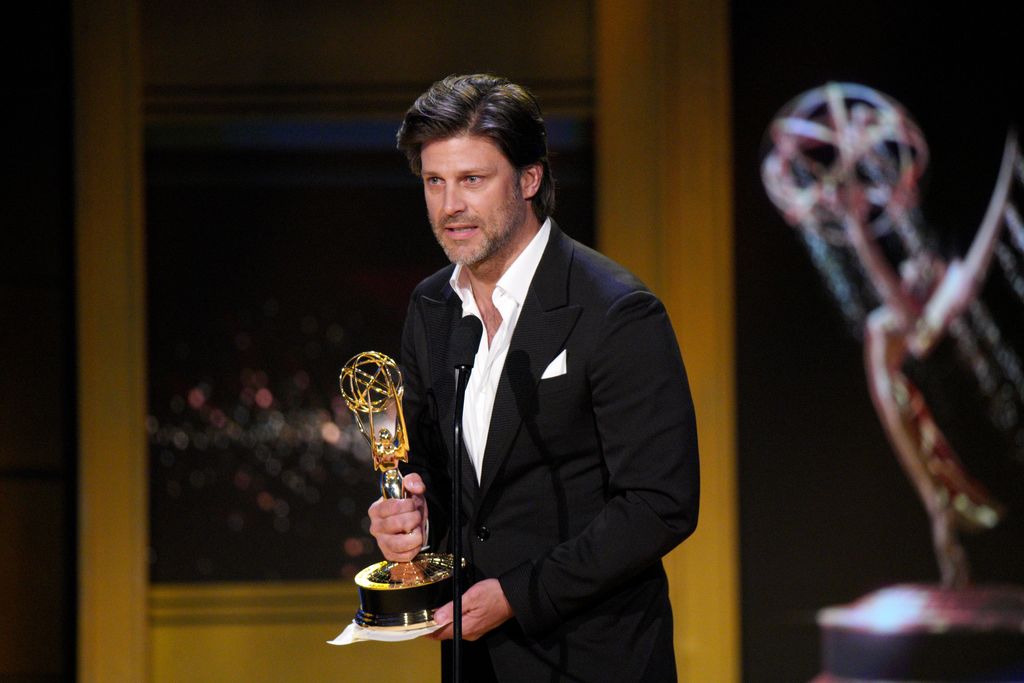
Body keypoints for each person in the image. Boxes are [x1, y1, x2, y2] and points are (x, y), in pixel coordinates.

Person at [367, 73, 700, 682]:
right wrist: (410, 522)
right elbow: (430, 469)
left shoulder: (615, 310)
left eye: (472, 179)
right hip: (474, 660)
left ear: (529, 179)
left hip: (594, 658)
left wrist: (519, 595)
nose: (449, 206)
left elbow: (659, 503)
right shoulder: (432, 307)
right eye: (435, 182)